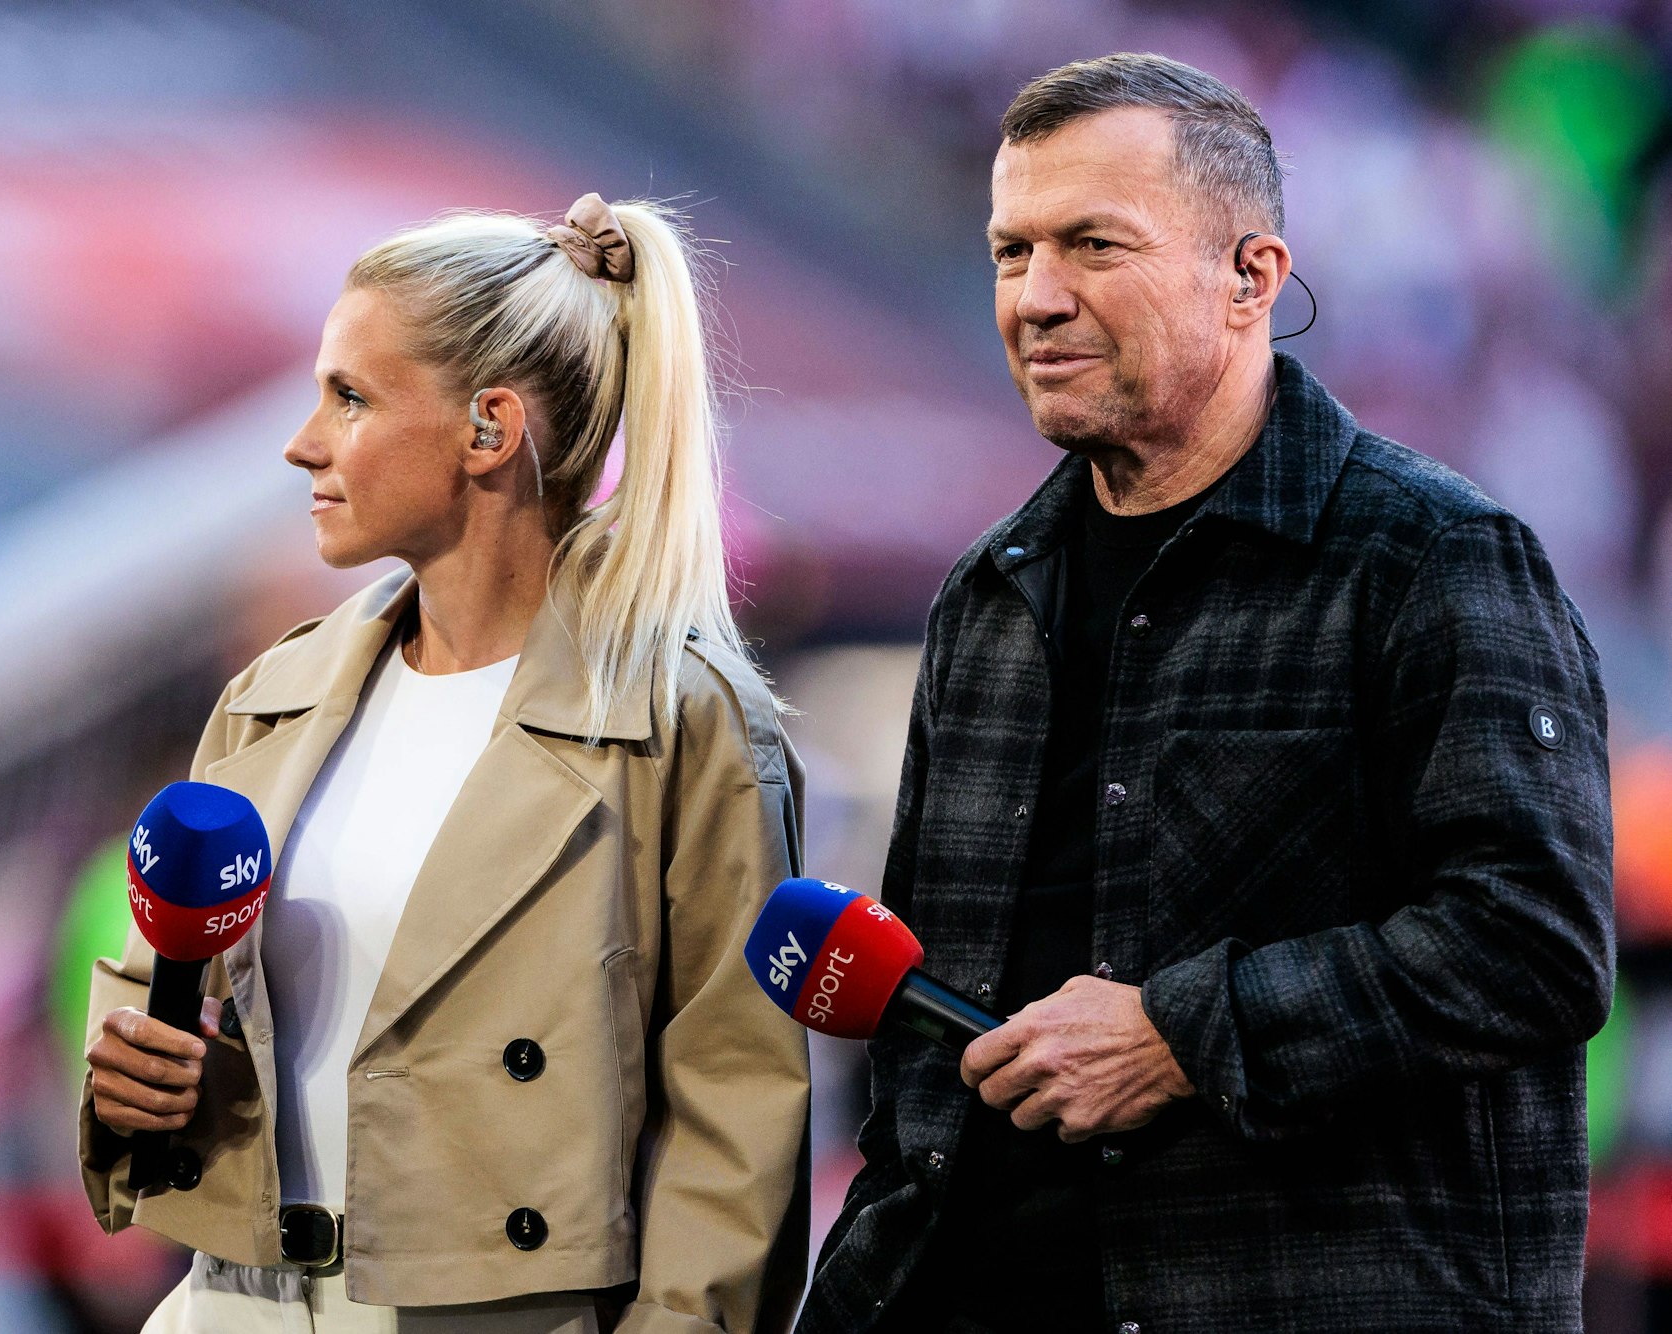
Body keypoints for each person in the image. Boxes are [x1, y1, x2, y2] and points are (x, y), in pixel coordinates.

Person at [800, 53, 1613, 1334]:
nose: (1036, 298)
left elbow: (1533, 943)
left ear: (1253, 278)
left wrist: (1185, 1032)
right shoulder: (989, 592)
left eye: (1092, 246)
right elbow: (925, 1045)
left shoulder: (1431, 558)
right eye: (1011, 252)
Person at [78, 194, 811, 1333]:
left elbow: (735, 1113)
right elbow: (172, 1002)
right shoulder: (272, 693)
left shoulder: (686, 724)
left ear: (489, 429)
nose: (301, 441)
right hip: (233, 1304)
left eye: (350, 397)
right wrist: (135, 1082)